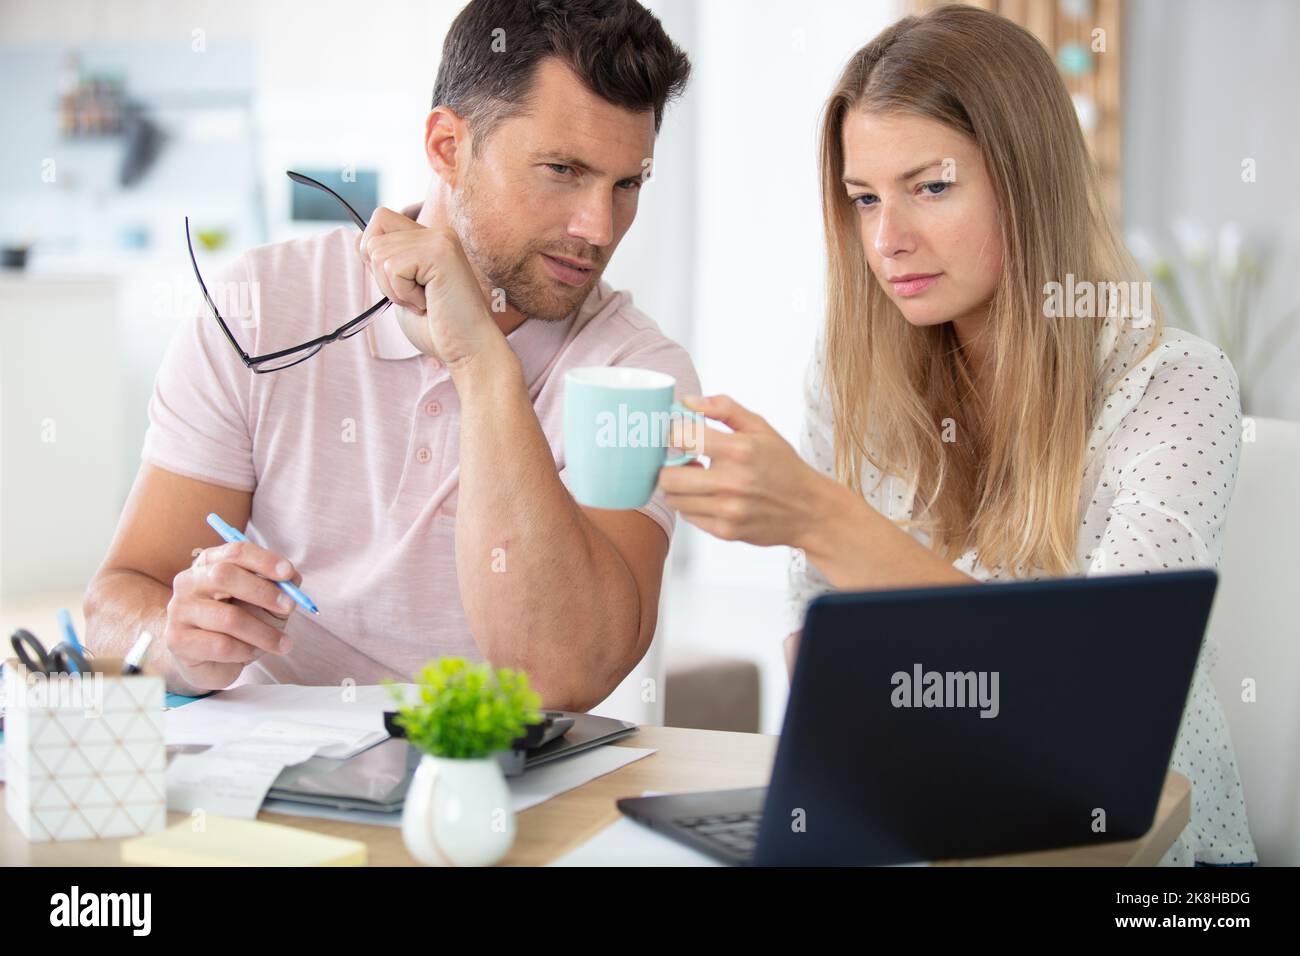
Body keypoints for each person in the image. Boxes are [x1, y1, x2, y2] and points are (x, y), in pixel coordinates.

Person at [659, 4, 1255, 866]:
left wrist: (821, 516)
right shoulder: (849, 371)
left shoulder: (1175, 386)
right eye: (864, 199)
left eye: (931, 187)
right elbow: (819, 643)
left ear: (1027, 178)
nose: (887, 240)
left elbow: (1097, 714)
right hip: (922, 825)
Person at [83, 0, 698, 712]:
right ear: (446, 146)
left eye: (627, 185)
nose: (597, 229)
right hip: (270, 782)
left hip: (486, 789)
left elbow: (561, 678)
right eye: (562, 170)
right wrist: (176, 641)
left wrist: (484, 368)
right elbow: (115, 603)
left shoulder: (637, 376)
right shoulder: (261, 302)